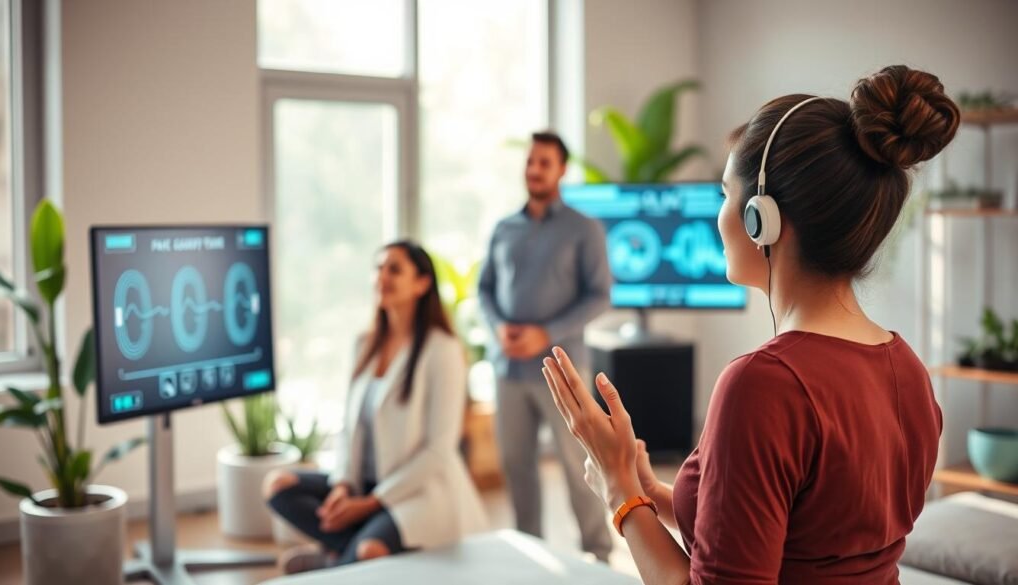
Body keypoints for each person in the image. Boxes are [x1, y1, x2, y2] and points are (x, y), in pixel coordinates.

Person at [540, 65, 955, 584]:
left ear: (763, 217)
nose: (719, 216)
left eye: (724, 194)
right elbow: (781, 537)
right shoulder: (907, 368)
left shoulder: (764, 386)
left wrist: (618, 492)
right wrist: (646, 488)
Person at [265, 240, 488, 574]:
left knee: (370, 551)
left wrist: (370, 504)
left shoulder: (442, 350)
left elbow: (438, 451)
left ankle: (340, 560)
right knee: (279, 487)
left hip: (417, 490)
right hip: (362, 482)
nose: (382, 276)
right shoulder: (364, 344)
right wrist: (342, 486)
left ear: (422, 284)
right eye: (378, 268)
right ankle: (346, 555)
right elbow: (349, 428)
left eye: (394, 269)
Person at [478, 130, 614, 562]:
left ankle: (598, 552)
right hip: (509, 370)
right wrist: (499, 326)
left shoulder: (584, 229)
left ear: (561, 169)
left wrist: (546, 333)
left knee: (579, 468)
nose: (534, 169)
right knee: (517, 466)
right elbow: (484, 291)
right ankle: (528, 551)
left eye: (544, 162)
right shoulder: (504, 228)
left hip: (562, 371)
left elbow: (600, 296)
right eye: (530, 161)